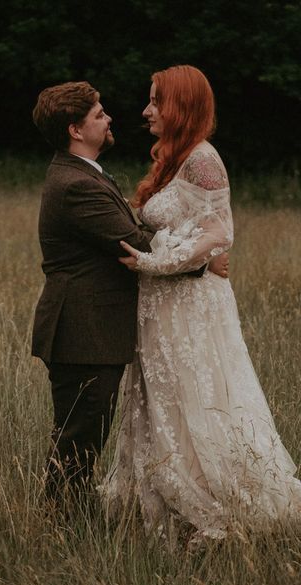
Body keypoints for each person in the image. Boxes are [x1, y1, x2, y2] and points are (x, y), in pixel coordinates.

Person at [101, 65, 301, 540]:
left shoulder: (204, 159)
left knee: (195, 398)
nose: (146, 110)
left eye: (155, 101)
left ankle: (211, 506)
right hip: (160, 304)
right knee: (161, 399)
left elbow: (218, 235)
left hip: (190, 304)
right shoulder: (175, 158)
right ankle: (162, 502)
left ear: (181, 106)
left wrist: (152, 263)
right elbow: (169, 227)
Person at [31, 80, 228, 500]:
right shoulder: (76, 184)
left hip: (89, 330)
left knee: (84, 433)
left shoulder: (82, 174)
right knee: (79, 438)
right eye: (99, 114)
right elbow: (136, 243)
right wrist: (204, 259)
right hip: (83, 330)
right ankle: (61, 523)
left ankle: (67, 517)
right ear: (75, 130)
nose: (110, 118)